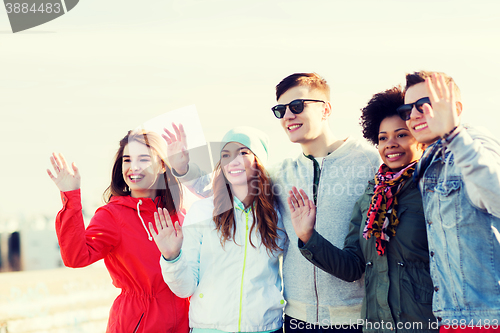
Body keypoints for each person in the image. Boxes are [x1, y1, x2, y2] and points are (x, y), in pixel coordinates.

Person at [165, 73, 381, 332]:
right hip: (296, 319)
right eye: (281, 110)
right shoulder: (283, 174)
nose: (288, 115)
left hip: (354, 317)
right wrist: (183, 168)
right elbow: (228, 183)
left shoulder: (369, 163)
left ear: (326, 110)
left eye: (297, 106)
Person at [288, 86, 438, 332]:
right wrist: (308, 237)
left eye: (401, 135)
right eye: (382, 137)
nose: (390, 144)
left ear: (419, 137)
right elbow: (353, 267)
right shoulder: (371, 197)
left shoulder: (433, 188)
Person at [47, 130, 189, 333]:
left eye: (144, 159)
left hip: (184, 323)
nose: (133, 167)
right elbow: (75, 257)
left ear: (162, 165)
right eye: (127, 160)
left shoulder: (179, 212)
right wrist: (71, 197)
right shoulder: (113, 215)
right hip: (137, 324)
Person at [151, 127, 286, 333]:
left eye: (243, 152)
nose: (233, 161)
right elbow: (185, 288)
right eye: (226, 155)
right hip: (209, 328)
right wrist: (172, 257)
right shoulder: (203, 211)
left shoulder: (277, 213)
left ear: (259, 161)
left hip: (265, 327)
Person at [399, 71, 500, 332]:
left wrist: (454, 134)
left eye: (424, 105)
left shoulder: (473, 143)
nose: (413, 115)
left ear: (456, 108)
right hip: (451, 318)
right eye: (406, 109)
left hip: (487, 318)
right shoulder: (431, 160)